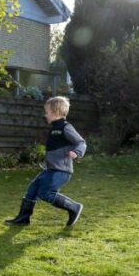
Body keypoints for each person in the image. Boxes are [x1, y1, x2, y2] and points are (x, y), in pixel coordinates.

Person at [5, 96, 86, 226]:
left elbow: (81, 142)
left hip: (61, 171)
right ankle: (23, 218)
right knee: (32, 189)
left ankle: (74, 207)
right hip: (50, 169)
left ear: (55, 112)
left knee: (45, 194)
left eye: (47, 112)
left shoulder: (65, 127)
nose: (45, 115)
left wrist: (76, 153)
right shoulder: (55, 128)